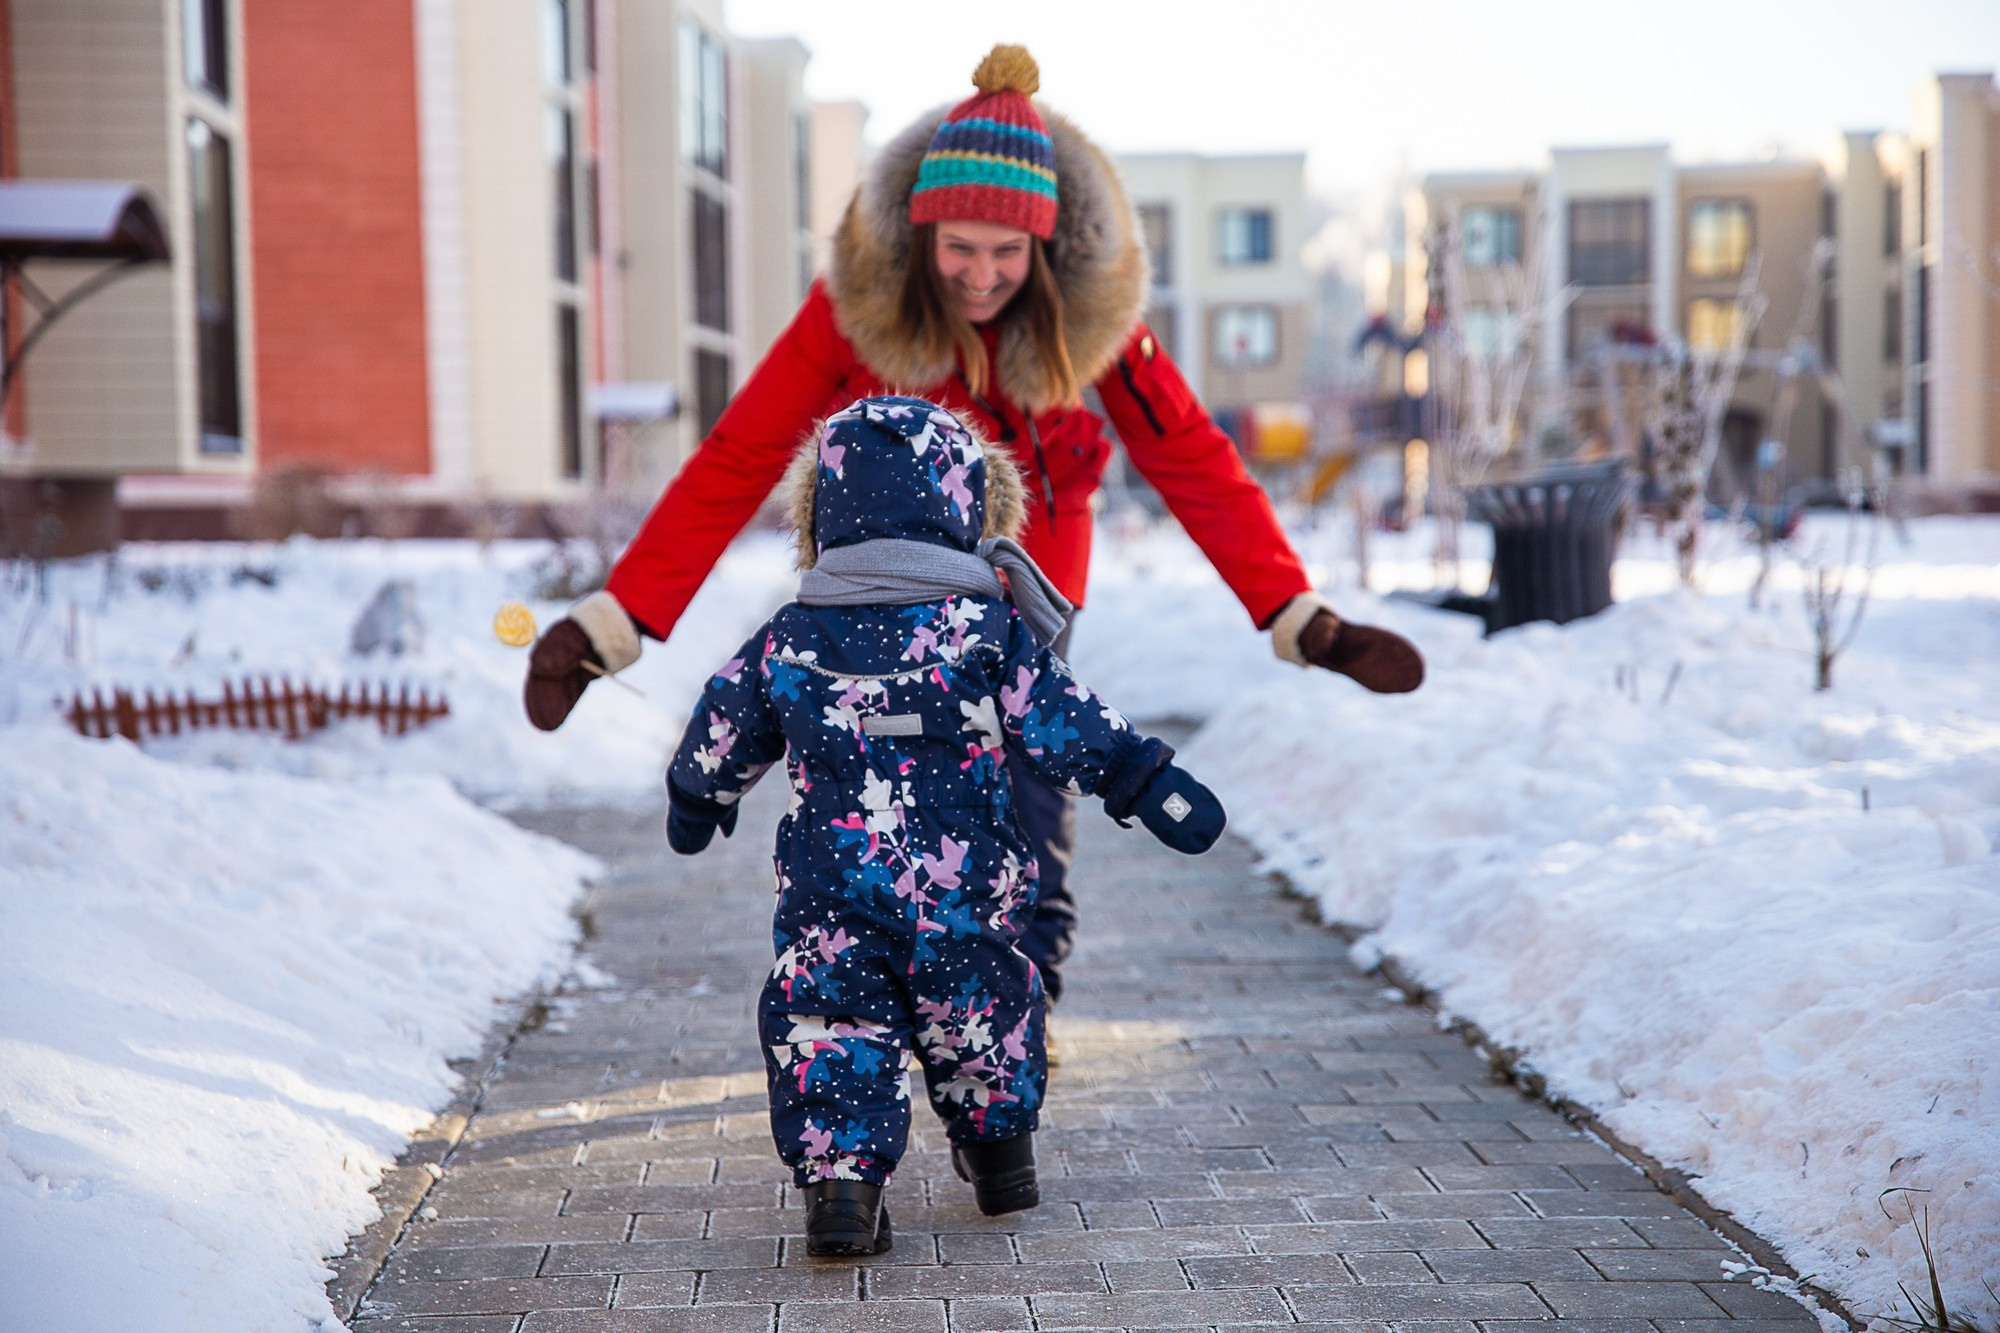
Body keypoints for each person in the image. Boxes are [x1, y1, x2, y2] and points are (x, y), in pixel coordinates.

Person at [525, 43, 1423, 1007]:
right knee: (871, 818)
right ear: (920, 237)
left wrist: (1298, 612)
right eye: (958, 249)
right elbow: (739, 455)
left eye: (1007, 253)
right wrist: (616, 618)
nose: (982, 276)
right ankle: (863, 1007)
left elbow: (1191, 456)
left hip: (1029, 604)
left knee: (1033, 807)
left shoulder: (1093, 324)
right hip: (878, 606)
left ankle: (1019, 1031)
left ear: (1043, 249)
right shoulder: (854, 312)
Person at [664, 396, 1226, 1255]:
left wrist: (699, 793)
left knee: (831, 1022)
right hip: (967, 890)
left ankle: (843, 1192)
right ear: (965, 503)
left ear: (824, 512)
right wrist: (1147, 781)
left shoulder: (793, 637)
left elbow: (725, 722)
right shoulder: (987, 629)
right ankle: (1003, 1157)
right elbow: (1067, 719)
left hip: (833, 896)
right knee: (983, 1010)